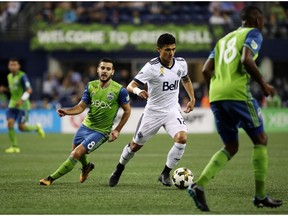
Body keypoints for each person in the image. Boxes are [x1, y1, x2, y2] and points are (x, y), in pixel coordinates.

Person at [187, 6, 282, 211]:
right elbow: (246, 59)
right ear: (256, 20)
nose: (263, 24)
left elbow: (205, 69)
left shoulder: (224, 40)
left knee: (231, 146)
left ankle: (199, 186)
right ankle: (260, 196)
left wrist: (213, 90)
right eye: (263, 20)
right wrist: (264, 85)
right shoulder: (253, 33)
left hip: (217, 95)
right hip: (237, 94)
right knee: (261, 139)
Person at [109, 33, 196, 187]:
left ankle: (165, 173)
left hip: (172, 111)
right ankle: (119, 168)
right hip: (153, 113)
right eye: (167, 50)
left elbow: (186, 79)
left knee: (182, 138)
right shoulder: (151, 67)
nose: (171, 53)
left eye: (173, 49)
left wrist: (192, 98)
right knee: (135, 145)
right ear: (158, 49)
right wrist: (138, 92)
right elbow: (131, 85)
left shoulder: (181, 63)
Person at [39, 58, 131, 186]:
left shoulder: (119, 90)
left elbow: (127, 111)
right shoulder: (91, 86)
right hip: (85, 126)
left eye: (108, 69)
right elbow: (81, 106)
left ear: (113, 72)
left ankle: (50, 179)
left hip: (101, 132)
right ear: (98, 70)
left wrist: (117, 130)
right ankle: (87, 167)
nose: (105, 71)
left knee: (76, 153)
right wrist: (67, 112)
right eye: (103, 68)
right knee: (77, 152)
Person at [0, 58, 45, 154]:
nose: (12, 67)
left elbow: (29, 90)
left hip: (23, 106)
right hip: (12, 104)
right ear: (8, 66)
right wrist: (5, 89)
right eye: (10, 65)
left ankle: (37, 128)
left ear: (18, 66)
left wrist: (22, 100)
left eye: (14, 65)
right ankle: (14, 146)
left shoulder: (22, 76)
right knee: (10, 123)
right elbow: (14, 89)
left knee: (22, 127)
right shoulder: (9, 77)